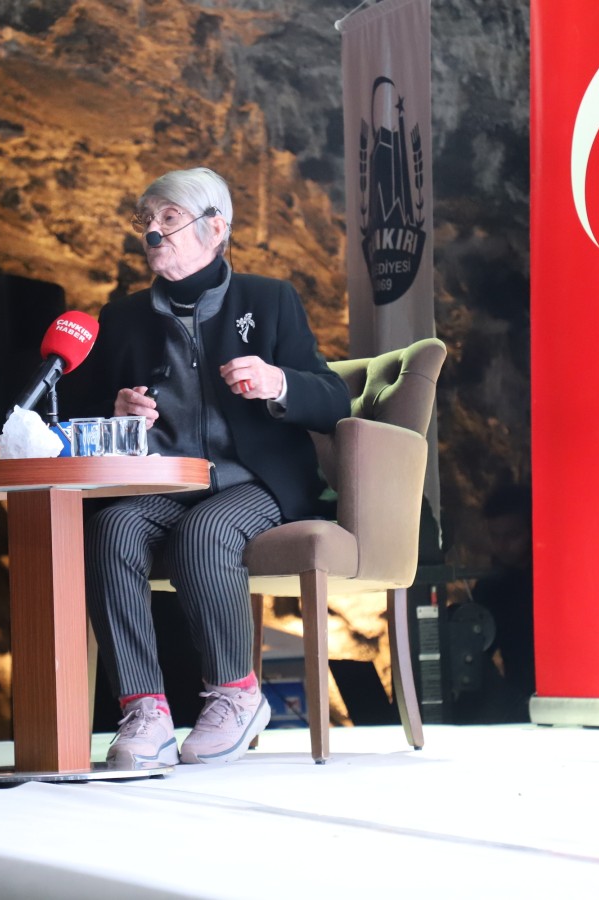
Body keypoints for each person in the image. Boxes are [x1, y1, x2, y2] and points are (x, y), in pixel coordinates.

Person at [73, 167, 349, 768]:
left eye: (169, 218)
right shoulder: (121, 318)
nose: (152, 232)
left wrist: (278, 382)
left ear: (216, 228)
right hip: (165, 483)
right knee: (110, 529)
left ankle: (236, 693)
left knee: (205, 534)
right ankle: (144, 710)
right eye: (145, 219)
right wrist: (115, 409)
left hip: (255, 482)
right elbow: (76, 412)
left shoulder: (269, 300)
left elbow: (334, 400)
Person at [456, 482, 535, 723]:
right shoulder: (490, 587)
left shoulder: (548, 583)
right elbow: (477, 651)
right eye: (495, 536)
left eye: (512, 535)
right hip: (516, 702)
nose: (502, 545)